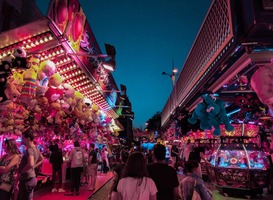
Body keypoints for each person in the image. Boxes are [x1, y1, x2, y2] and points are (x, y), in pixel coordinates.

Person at [17, 128, 44, 200]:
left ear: (28, 138)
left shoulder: (30, 149)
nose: (22, 140)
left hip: (27, 179)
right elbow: (42, 159)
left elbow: (31, 163)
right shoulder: (35, 148)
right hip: (32, 178)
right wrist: (33, 167)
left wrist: (22, 171)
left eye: (23, 138)